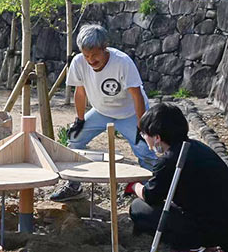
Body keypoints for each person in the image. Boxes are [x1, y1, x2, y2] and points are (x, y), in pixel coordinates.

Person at [126, 103, 228, 252]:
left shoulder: (169, 160)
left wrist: (134, 186)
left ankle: (194, 246)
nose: (144, 137)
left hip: (208, 227)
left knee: (138, 208)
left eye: (144, 134)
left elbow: (151, 196)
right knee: (204, 203)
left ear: (157, 137)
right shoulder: (198, 147)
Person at [51, 24, 157, 201]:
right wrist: (80, 119)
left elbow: (137, 96)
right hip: (101, 111)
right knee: (74, 140)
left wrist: (142, 126)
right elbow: (80, 92)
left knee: (144, 150)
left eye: (94, 55)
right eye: (86, 55)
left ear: (104, 48)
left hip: (129, 112)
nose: (90, 60)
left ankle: (151, 189)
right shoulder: (78, 62)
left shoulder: (122, 62)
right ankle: (73, 185)